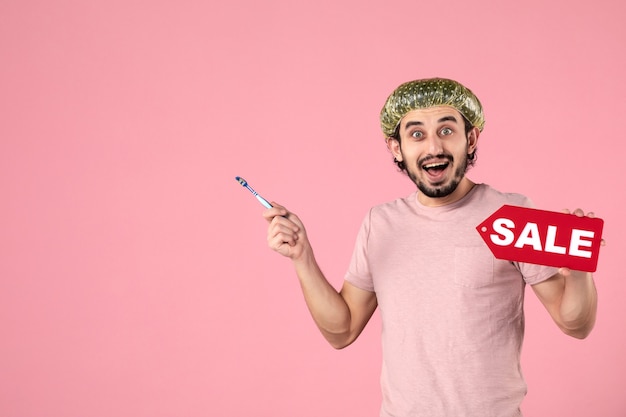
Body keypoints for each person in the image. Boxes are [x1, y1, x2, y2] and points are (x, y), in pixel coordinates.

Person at [263, 78, 598, 417]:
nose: (434, 147)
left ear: (470, 139)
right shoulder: (381, 223)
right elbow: (343, 329)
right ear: (397, 148)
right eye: (417, 134)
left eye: (447, 130)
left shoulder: (514, 215)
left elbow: (576, 325)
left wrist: (581, 272)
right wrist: (302, 258)